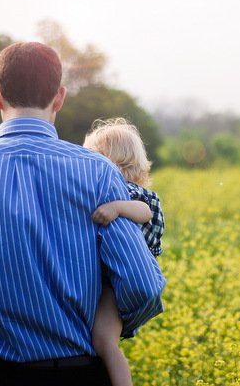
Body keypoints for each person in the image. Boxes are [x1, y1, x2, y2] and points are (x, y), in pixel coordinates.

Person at [0, 42, 166, 386]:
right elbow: (143, 287)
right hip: (83, 372)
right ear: (60, 97)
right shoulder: (98, 171)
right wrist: (107, 336)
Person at [83, 118, 165, 386]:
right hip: (111, 276)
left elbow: (144, 212)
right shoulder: (115, 190)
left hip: (118, 283)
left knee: (104, 340)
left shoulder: (133, 195)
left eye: (92, 157)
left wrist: (117, 207)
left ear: (111, 161)